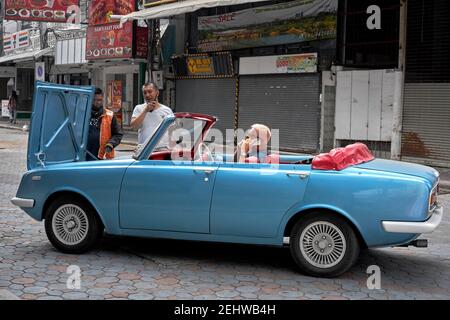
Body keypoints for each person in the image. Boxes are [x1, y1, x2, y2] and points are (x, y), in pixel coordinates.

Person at [130, 82, 173, 149]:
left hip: (163, 148)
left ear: (157, 93)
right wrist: (145, 110)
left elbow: (172, 130)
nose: (147, 95)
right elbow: (134, 127)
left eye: (150, 92)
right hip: (144, 149)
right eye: (145, 93)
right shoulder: (139, 108)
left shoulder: (167, 110)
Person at [86, 88, 123, 161]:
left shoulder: (110, 115)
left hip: (102, 156)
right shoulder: (83, 114)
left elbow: (118, 134)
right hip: (84, 155)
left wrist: (111, 144)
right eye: (94, 100)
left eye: (99, 100)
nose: (97, 102)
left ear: (103, 99)